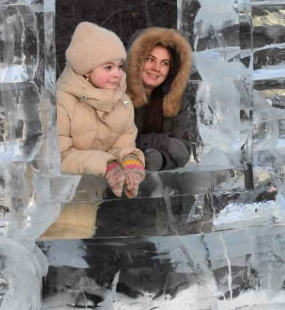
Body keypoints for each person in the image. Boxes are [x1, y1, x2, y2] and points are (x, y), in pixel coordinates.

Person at [56, 21, 145, 198]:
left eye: (119, 66)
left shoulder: (123, 103)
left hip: (89, 196)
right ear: (87, 71)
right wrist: (106, 165)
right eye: (108, 67)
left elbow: (118, 147)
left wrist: (129, 159)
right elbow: (58, 157)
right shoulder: (61, 101)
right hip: (54, 196)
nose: (117, 74)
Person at [126, 27, 193, 171]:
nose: (157, 68)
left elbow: (182, 152)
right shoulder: (116, 95)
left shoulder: (175, 99)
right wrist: (163, 142)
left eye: (164, 63)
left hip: (160, 183)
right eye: (150, 59)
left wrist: (161, 160)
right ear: (136, 61)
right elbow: (112, 145)